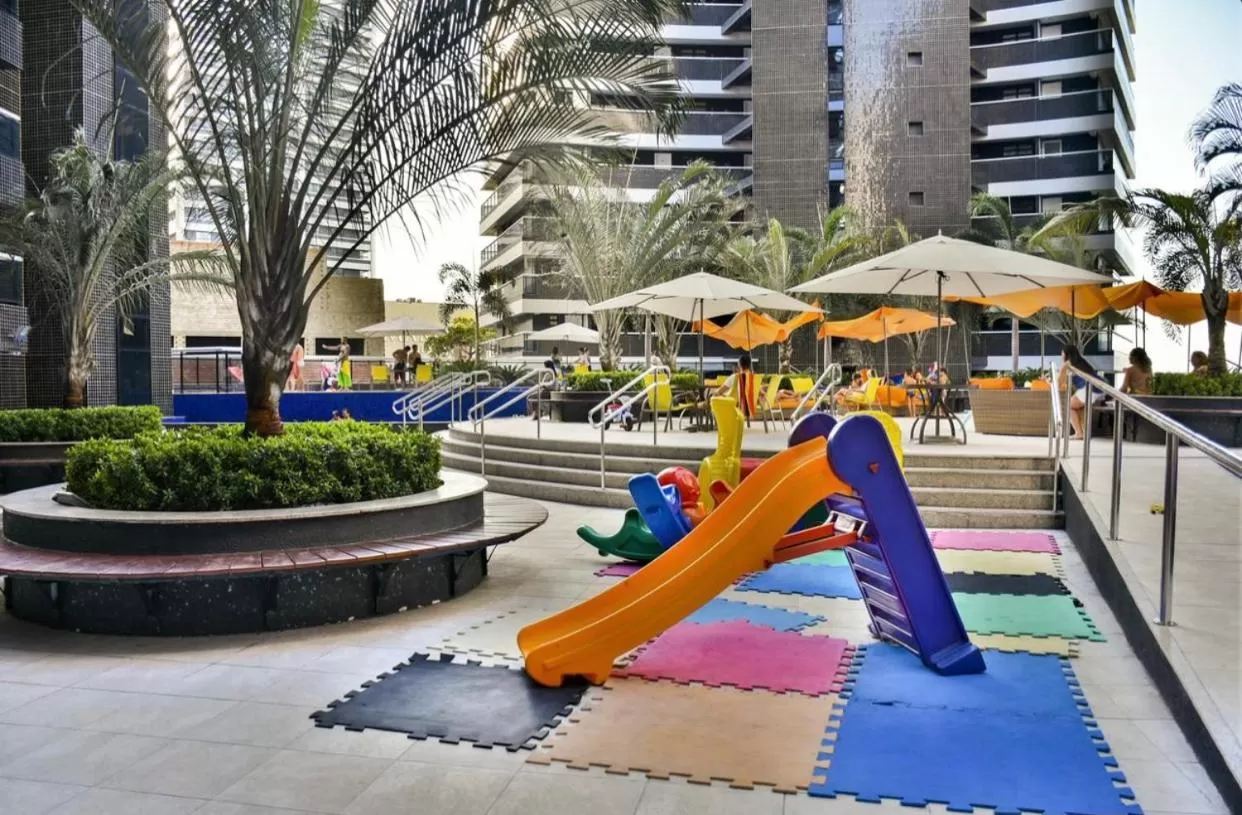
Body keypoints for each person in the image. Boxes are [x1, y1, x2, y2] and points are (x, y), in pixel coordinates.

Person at [1058, 345, 1101, 440]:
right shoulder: (1082, 362)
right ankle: (1084, 432)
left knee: (1069, 406)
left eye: (1062, 353)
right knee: (1078, 407)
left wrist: (1048, 380)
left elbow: (1058, 384)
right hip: (1097, 390)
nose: (1061, 355)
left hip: (1088, 389)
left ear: (1065, 354)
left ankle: (1079, 432)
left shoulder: (1067, 364)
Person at [714, 354, 757, 419]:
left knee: (711, 393)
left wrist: (716, 392)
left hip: (731, 401)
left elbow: (720, 391)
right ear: (749, 365)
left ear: (739, 365)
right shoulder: (753, 378)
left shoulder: (735, 377)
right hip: (749, 403)